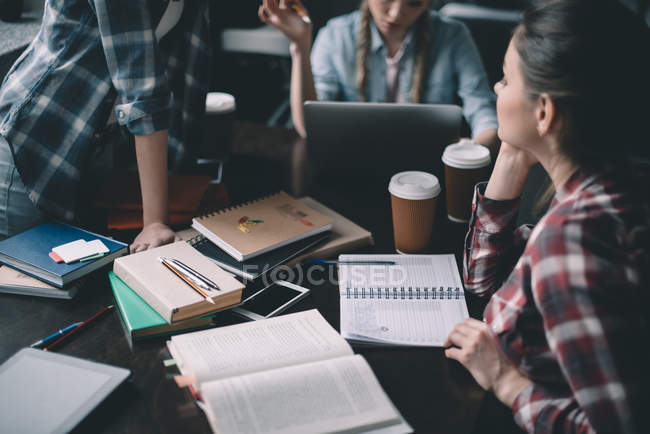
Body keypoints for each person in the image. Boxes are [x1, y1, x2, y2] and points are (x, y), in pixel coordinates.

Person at [443, 0, 650, 432]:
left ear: (544, 112)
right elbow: (482, 279)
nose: (497, 91)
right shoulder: (613, 178)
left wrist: (506, 381)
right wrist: (512, 158)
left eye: (505, 78)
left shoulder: (573, 240)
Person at [0, 0, 212, 252]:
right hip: (35, 147)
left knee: (82, 280)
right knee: (26, 283)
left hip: (95, 145)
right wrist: (155, 221)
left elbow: (186, 66)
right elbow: (143, 90)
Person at [259, 0, 499, 152]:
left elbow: (482, 111)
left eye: (414, 3)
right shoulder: (335, 35)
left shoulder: (454, 36)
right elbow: (308, 127)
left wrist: (473, 154)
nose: (396, 13)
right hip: (351, 167)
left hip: (428, 177)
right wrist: (300, 46)